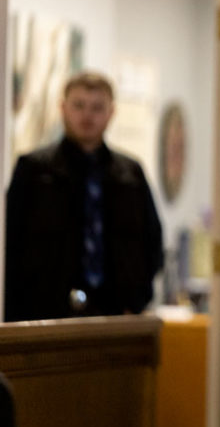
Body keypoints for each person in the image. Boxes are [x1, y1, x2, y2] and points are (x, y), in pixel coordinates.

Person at [5, 71, 163, 321]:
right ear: (63, 108)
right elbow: (10, 244)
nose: (87, 115)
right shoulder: (34, 170)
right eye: (79, 105)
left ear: (111, 113)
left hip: (115, 310)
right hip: (45, 312)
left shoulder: (130, 174)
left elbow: (152, 242)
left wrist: (136, 298)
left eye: (97, 107)